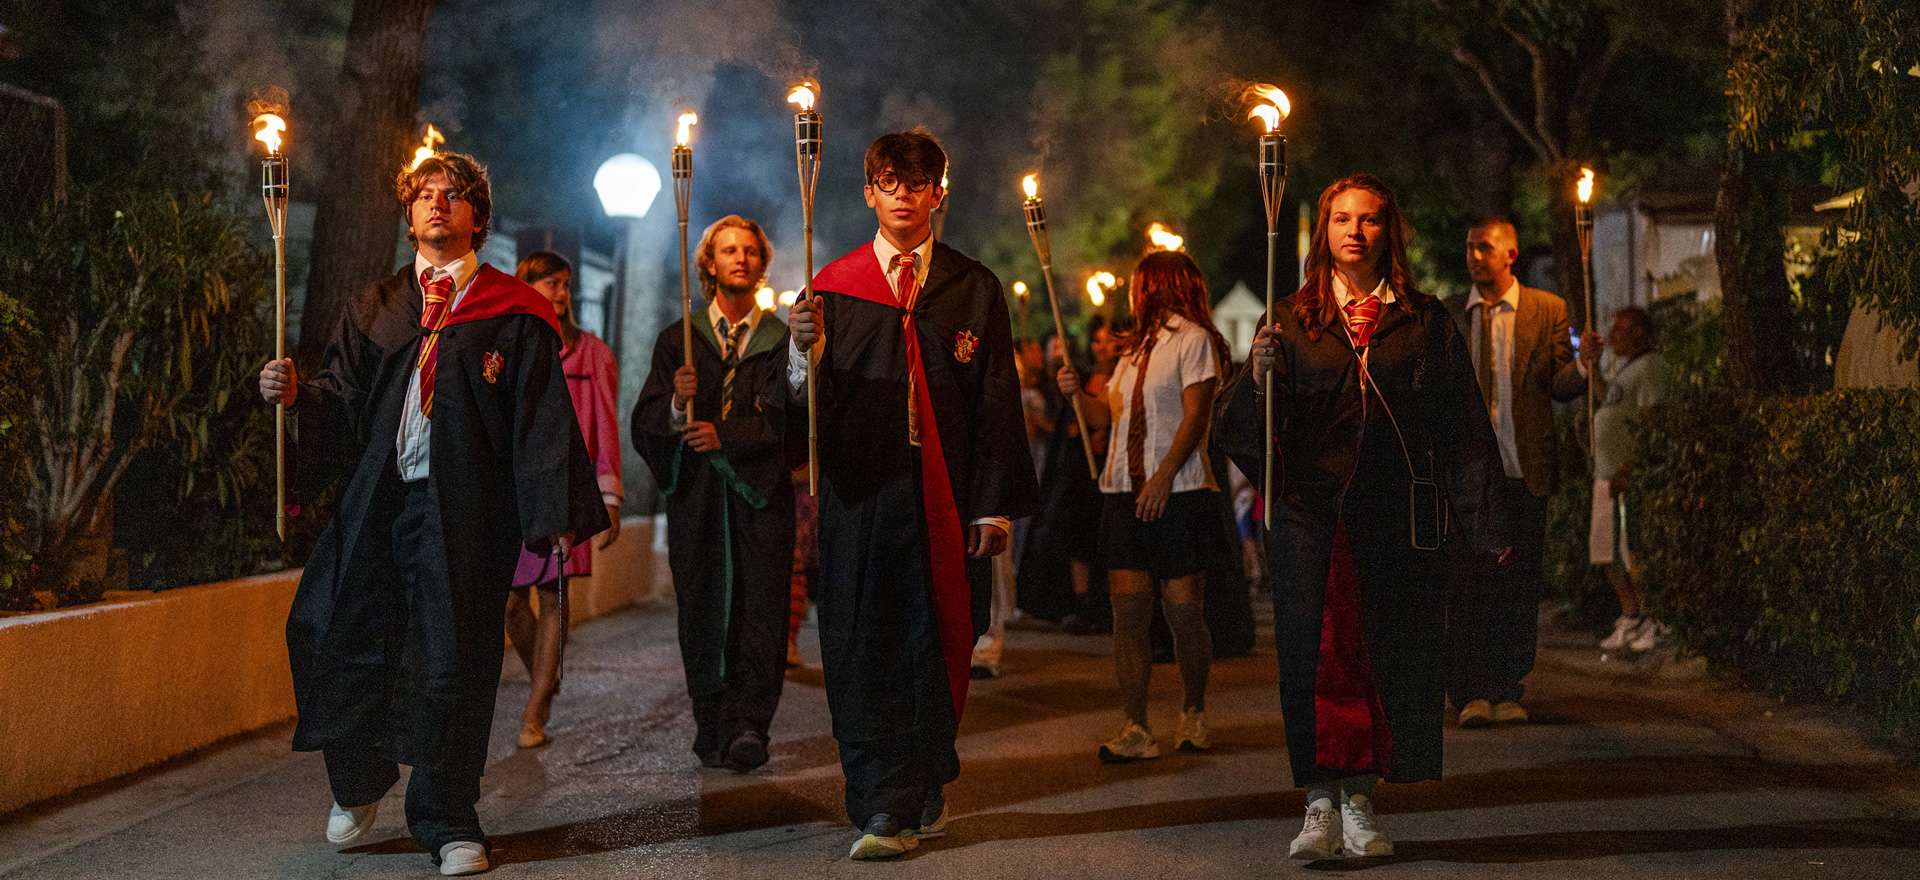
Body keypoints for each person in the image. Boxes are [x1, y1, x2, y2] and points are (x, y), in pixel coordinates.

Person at [258, 153, 607, 876]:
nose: (437, 204)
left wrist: (552, 512)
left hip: (465, 514)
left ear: (479, 214)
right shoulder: (378, 307)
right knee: (325, 628)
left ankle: (449, 819)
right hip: (379, 506)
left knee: (453, 662)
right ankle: (357, 783)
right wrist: (297, 398)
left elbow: (540, 419)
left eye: (453, 196)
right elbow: (340, 399)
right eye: (423, 195)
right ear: (408, 213)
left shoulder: (515, 311)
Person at [1214, 174, 1505, 862]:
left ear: (1388, 231)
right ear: (1323, 232)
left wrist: (1485, 523)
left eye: (1369, 219)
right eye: (1342, 219)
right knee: (1312, 657)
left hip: (1393, 518)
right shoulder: (1291, 319)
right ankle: (1319, 802)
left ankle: (1363, 800)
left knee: (1384, 652)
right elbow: (1240, 430)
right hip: (1311, 517)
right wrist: (1256, 379)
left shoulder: (1425, 319)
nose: (1355, 231)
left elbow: (1462, 426)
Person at [786, 128, 1039, 860]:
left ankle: (927, 777)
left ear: (940, 194)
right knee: (864, 643)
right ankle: (880, 803)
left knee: (937, 643)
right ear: (868, 191)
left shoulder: (972, 288)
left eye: (918, 182)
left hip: (947, 502)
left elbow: (996, 403)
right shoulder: (830, 287)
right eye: (889, 182)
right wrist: (801, 355)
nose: (904, 194)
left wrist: (991, 507)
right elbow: (795, 406)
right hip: (862, 499)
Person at [631, 215, 797, 773]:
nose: (741, 258)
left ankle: (749, 722)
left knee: (760, 606)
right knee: (701, 604)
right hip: (698, 500)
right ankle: (711, 720)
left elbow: (792, 421)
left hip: (759, 499)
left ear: (760, 263)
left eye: (750, 250)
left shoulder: (779, 342)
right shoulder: (679, 340)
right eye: (729, 250)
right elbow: (645, 421)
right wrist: (677, 406)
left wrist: (727, 434)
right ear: (708, 263)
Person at [1056, 250, 1230, 763]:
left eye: (1139, 284)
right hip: (1122, 494)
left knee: (1183, 614)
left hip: (1180, 493)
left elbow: (1197, 415)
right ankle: (1136, 725)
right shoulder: (1130, 353)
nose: (1133, 294)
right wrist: (1074, 394)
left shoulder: (1193, 341)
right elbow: (1102, 418)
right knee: (1128, 615)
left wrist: (1164, 475)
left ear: (1157, 286)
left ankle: (1193, 711)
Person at [1441, 217, 1583, 729]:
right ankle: (1469, 691)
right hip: (1466, 475)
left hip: (1523, 468)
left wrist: (1585, 368)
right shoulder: (1451, 312)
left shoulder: (1546, 310)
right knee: (1466, 583)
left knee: (1518, 585)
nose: (1475, 256)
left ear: (1510, 254)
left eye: (1484, 247)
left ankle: (1507, 686)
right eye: (1469, 247)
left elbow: (1559, 385)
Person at [504, 251, 623, 750]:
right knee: (511, 606)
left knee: (554, 599)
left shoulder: (590, 352)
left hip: (567, 492)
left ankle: (533, 713)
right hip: (515, 493)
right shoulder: (511, 345)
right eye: (549, 282)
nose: (561, 293)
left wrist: (609, 496)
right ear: (525, 285)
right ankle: (545, 679)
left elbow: (606, 425)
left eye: (565, 284)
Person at [1581, 307, 1670, 652]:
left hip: (1624, 476)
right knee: (1608, 552)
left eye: (1621, 329)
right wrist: (1592, 368)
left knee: (1634, 549)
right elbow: (1608, 399)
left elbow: (1653, 421)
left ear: (1641, 333)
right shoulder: (1626, 370)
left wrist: (1630, 466)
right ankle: (1631, 615)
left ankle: (1655, 618)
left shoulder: (1651, 368)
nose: (1612, 334)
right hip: (1605, 475)